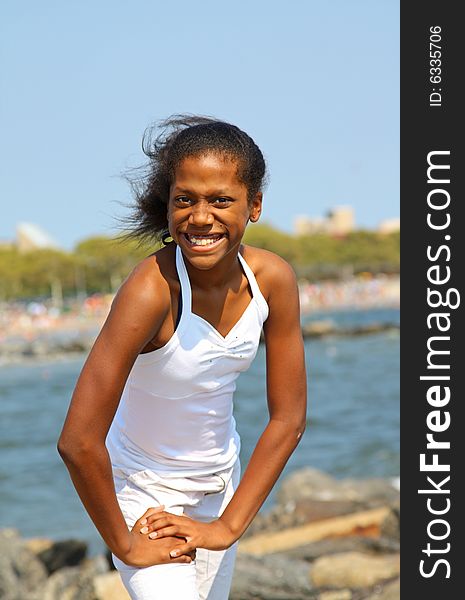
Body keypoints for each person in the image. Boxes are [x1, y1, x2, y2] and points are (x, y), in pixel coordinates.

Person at [58, 115, 307, 600]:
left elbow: (289, 419)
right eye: (185, 199)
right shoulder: (152, 290)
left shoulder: (272, 280)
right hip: (145, 496)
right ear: (168, 204)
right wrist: (124, 543)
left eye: (221, 200)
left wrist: (226, 525)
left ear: (254, 205)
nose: (200, 216)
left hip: (220, 488)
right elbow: (79, 441)